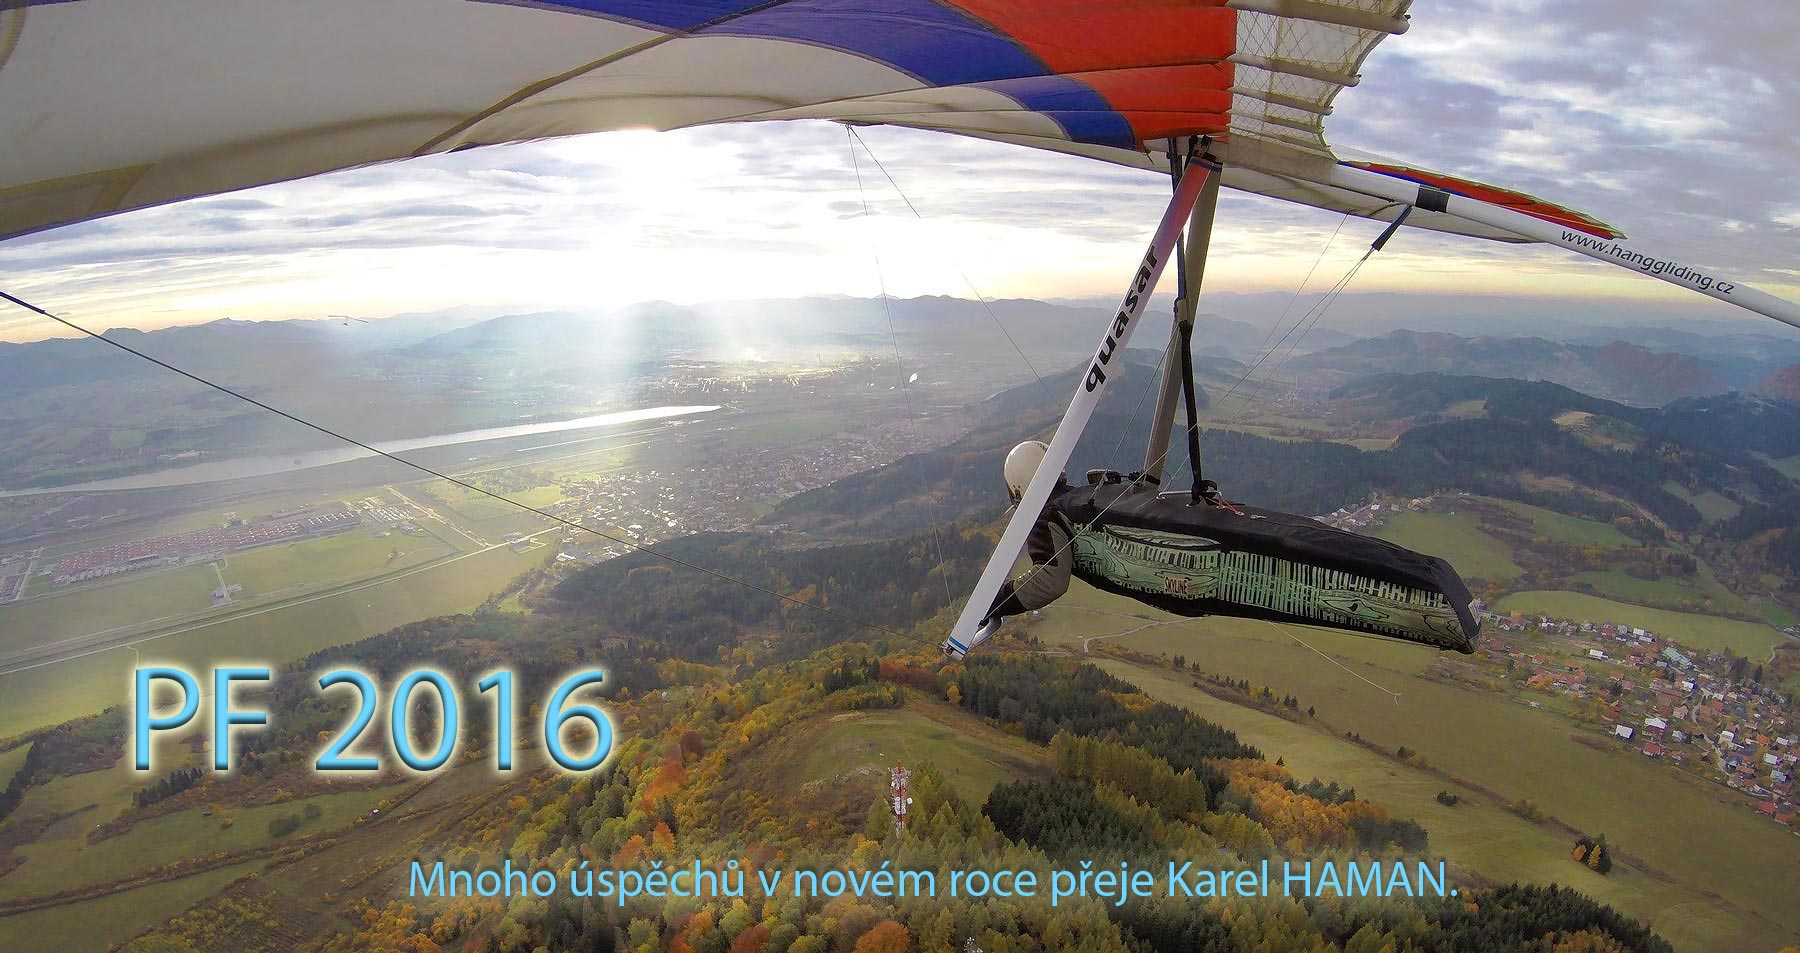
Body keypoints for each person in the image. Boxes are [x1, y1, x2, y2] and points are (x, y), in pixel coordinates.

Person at [975, 441, 1480, 654]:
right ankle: (1429, 589)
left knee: (1294, 554)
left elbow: (1052, 578)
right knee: (1296, 542)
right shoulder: (1087, 492)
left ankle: (1426, 597)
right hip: (1191, 542)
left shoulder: (1048, 516)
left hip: (1175, 575)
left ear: (1019, 489)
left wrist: (1000, 600)